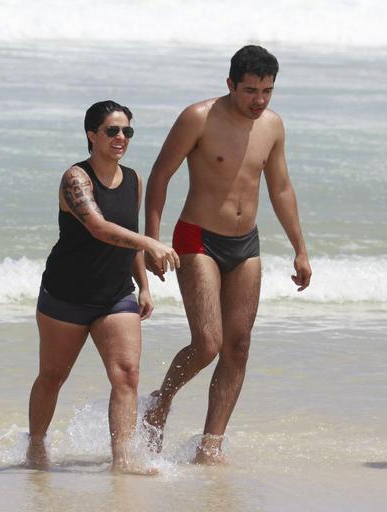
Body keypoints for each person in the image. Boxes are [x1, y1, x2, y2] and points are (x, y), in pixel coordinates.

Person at [142, 45, 312, 464]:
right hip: (197, 237)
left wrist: (300, 249)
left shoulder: (272, 126)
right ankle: (160, 402)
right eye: (251, 90)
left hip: (246, 243)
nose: (259, 100)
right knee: (208, 343)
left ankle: (210, 446)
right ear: (230, 84)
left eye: (267, 91)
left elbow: (281, 188)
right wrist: (153, 240)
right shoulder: (198, 118)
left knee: (238, 345)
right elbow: (160, 175)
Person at [26, 100, 180, 474]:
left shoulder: (133, 179)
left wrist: (143, 285)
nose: (121, 137)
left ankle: (122, 459)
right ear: (92, 135)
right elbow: (99, 227)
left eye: (127, 131)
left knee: (126, 373)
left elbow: (128, 237)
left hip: (115, 294)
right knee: (53, 376)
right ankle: (36, 446)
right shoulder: (76, 179)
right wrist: (151, 243)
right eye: (112, 131)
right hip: (66, 294)